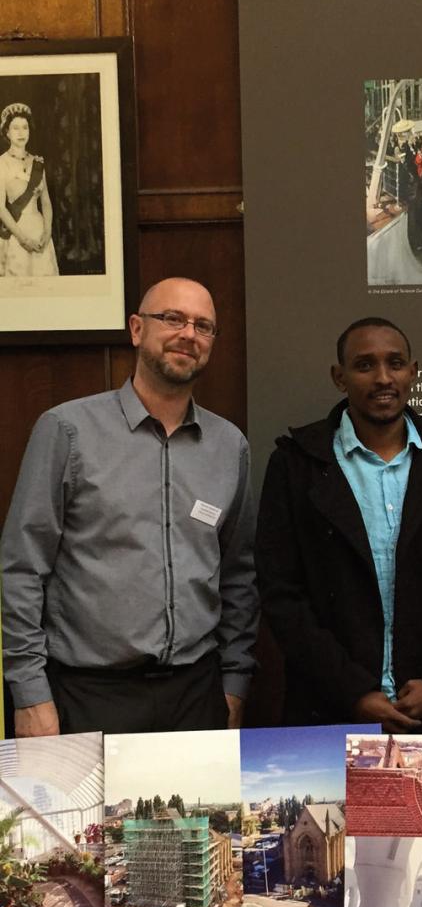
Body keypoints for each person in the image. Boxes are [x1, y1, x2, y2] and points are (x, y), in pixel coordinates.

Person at [1, 277, 257, 735]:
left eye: (204, 326)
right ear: (137, 329)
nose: (188, 334)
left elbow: (238, 574)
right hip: (87, 694)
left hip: (196, 695)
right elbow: (21, 567)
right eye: (172, 318)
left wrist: (234, 684)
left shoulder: (228, 446)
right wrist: (29, 693)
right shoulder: (66, 430)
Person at [255, 317, 422, 732]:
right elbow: (282, 594)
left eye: (396, 363)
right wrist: (352, 690)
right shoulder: (297, 464)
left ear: (414, 372)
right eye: (365, 365)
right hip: (330, 707)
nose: (383, 378)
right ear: (340, 377)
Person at [0, 102, 59, 277]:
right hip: (15, 233)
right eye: (15, 128)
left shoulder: (38, 163)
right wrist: (23, 239)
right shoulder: (1, 163)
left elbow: (46, 202)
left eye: (25, 128)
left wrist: (47, 231)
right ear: (7, 132)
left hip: (39, 231)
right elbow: (1, 208)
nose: (21, 133)